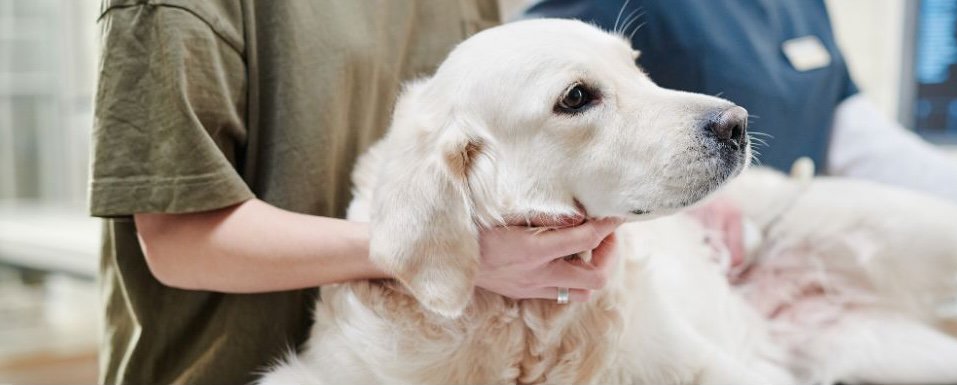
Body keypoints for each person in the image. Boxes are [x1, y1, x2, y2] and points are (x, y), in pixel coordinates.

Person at [88, 1, 618, 383]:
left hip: (420, 363)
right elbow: (180, 242)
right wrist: (436, 250)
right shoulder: (164, 10)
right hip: (225, 369)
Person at [524, 0, 957, 306]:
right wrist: (673, 211)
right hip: (692, 303)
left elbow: (856, 137)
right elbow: (533, 117)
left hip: (809, 293)